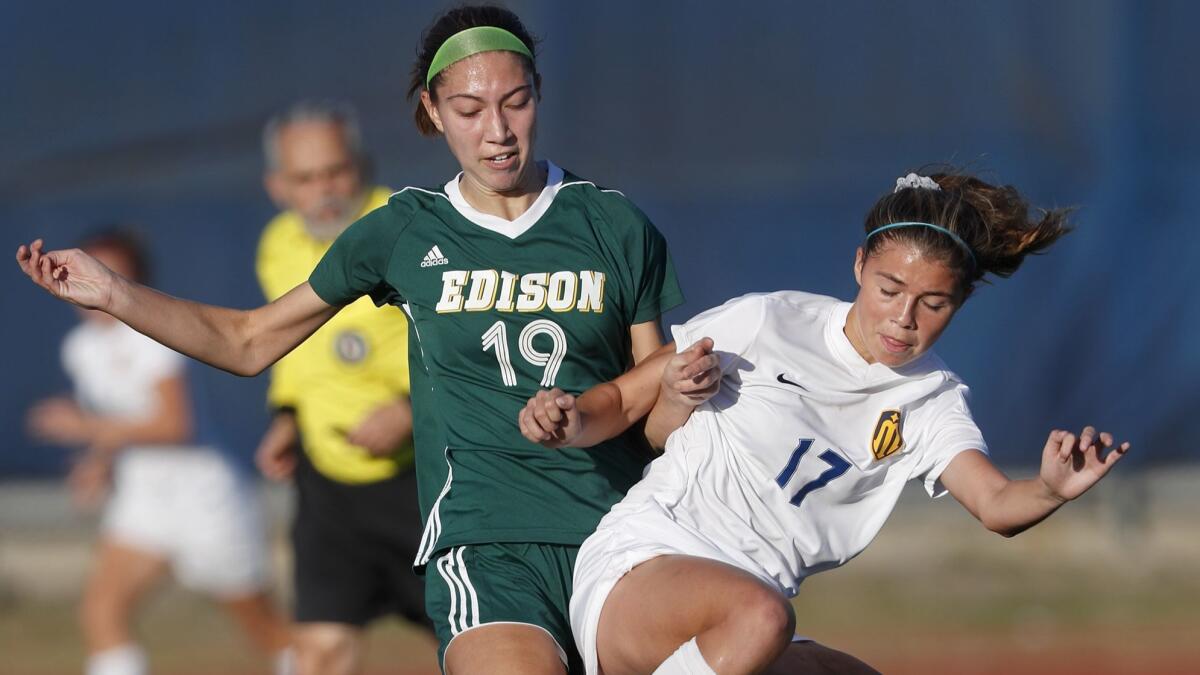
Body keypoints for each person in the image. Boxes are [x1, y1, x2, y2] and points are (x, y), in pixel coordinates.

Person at [16, 5, 683, 674]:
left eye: (514, 101)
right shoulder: (403, 232)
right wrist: (115, 294)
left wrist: (682, 392)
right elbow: (249, 341)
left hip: (615, 535)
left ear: (539, 90)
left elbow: (653, 412)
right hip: (484, 547)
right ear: (432, 110)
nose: (498, 130)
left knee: (756, 639)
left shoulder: (612, 223)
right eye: (470, 109)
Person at [518, 171, 1132, 675]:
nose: (903, 318)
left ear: (961, 303)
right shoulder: (768, 321)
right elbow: (622, 402)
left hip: (746, 613)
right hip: (642, 568)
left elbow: (997, 504)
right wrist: (569, 419)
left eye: (933, 303)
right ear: (860, 265)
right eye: (890, 289)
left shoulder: (931, 400)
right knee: (761, 617)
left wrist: (1049, 489)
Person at [25, 230, 293, 675]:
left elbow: (174, 424)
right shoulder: (82, 349)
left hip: (202, 497)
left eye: (110, 272)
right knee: (101, 611)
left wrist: (82, 427)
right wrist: (96, 463)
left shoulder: (150, 334)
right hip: (144, 498)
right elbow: (120, 425)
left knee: (265, 632)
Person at [255, 101, 432, 675]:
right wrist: (287, 417)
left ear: (361, 164)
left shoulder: (411, 230)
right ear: (278, 186)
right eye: (305, 178)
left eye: (335, 171)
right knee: (320, 652)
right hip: (329, 489)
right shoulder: (278, 244)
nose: (324, 190)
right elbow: (293, 349)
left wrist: (410, 410)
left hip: (426, 483)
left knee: (483, 650)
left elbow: (471, 345)